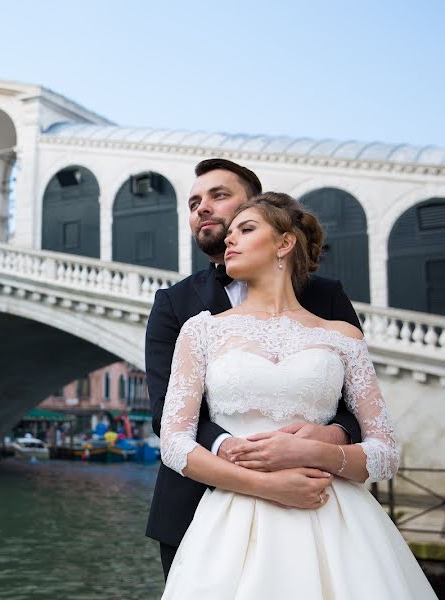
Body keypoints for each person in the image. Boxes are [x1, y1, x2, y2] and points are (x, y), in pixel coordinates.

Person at [159, 192, 435, 598]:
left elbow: (386, 450)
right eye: (229, 233)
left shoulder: (342, 336)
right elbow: (174, 442)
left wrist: (313, 453)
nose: (229, 240)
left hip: (334, 513)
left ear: (285, 244)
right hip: (235, 518)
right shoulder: (201, 330)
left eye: (246, 229)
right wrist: (266, 485)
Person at [145, 159, 362, 578]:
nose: (202, 208)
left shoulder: (326, 297)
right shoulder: (173, 305)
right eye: (193, 203)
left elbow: (360, 401)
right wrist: (241, 453)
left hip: (316, 497)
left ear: (258, 206)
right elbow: (163, 413)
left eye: (218, 196)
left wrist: (332, 434)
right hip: (193, 509)